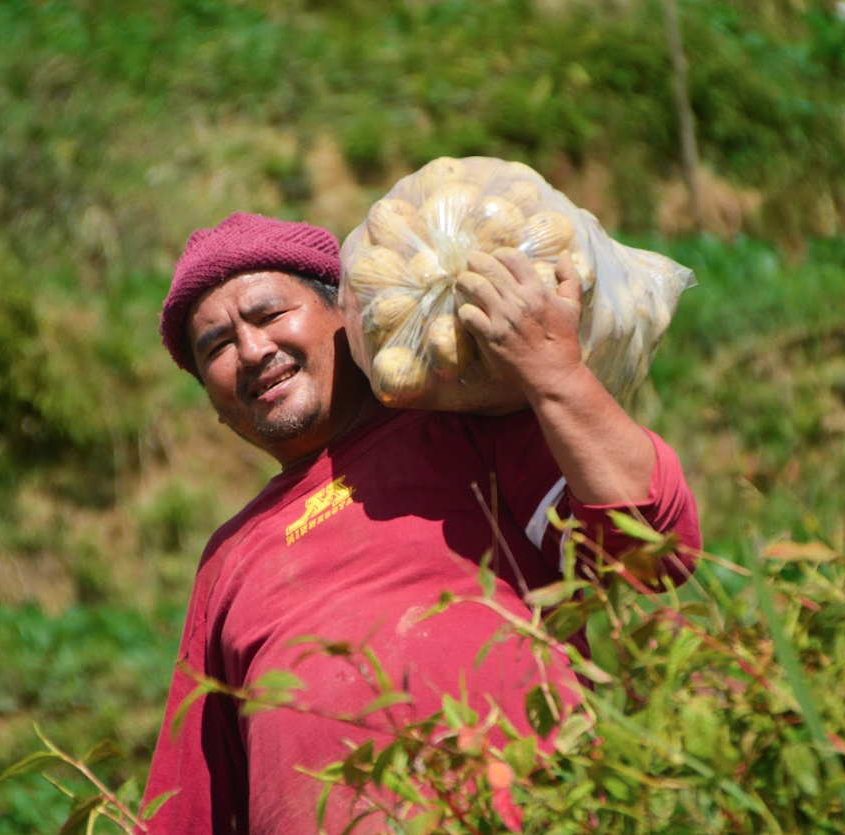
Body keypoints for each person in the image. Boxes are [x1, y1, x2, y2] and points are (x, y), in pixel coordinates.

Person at [139, 211, 701, 834]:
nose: (251, 350)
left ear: (347, 319)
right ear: (213, 405)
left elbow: (655, 550)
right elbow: (186, 810)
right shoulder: (229, 559)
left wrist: (555, 375)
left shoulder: (464, 428)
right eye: (216, 346)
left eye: (270, 315)